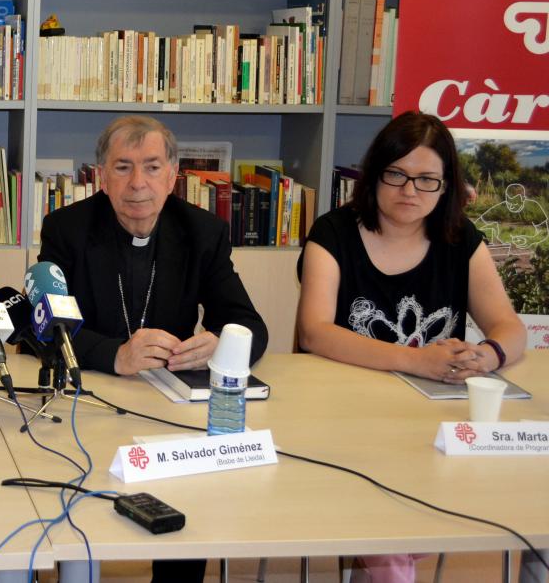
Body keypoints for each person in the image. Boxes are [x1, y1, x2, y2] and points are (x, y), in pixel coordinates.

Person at [296, 111, 527, 583]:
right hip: (344, 419)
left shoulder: (460, 239)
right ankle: (383, 560)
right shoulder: (333, 232)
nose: (409, 191)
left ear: (446, 187)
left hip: (431, 425)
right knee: (394, 525)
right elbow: (314, 332)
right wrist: (415, 359)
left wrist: (487, 355)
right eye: (397, 174)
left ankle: (382, 559)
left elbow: (509, 326)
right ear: (374, 174)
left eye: (426, 180)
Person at [38, 115, 268, 583]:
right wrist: (114, 354)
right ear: (102, 176)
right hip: (89, 405)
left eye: (152, 166)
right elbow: (41, 328)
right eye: (123, 167)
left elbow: (250, 325)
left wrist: (220, 344)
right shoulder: (67, 229)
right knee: (82, 516)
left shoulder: (202, 231)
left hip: (169, 410)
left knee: (187, 510)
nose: (138, 183)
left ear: (173, 174)